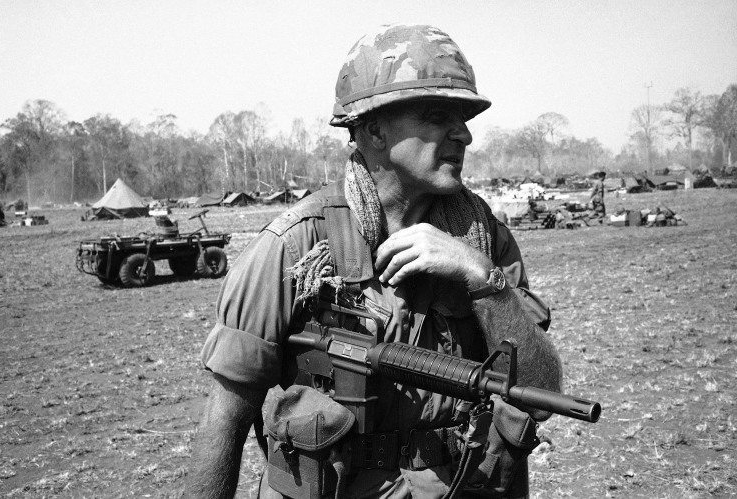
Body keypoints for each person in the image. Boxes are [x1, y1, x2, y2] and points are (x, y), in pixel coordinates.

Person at [191, 24, 563, 499]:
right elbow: (225, 419)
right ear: (373, 129)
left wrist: (481, 278)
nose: (464, 135)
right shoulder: (297, 247)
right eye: (436, 116)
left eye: (465, 118)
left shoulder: (484, 239)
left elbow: (542, 391)